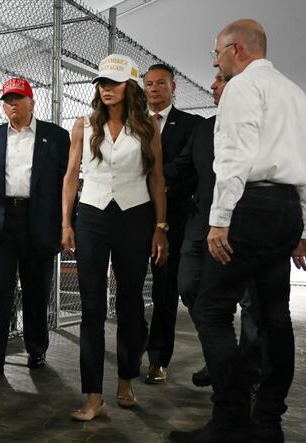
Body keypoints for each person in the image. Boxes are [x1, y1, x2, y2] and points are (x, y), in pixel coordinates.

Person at [169, 19, 306, 443]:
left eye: (217, 53)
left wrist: (219, 219)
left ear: (237, 50)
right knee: (274, 316)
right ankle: (268, 424)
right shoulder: (295, 94)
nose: (215, 62)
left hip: (248, 207)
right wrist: (303, 227)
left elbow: (234, 156)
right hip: (285, 208)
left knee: (211, 310)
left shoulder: (243, 87)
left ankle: (230, 419)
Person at [61, 54, 167, 421]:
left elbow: (157, 179)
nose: (106, 88)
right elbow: (71, 176)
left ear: (129, 87)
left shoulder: (147, 127)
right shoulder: (83, 125)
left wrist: (161, 227)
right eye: (102, 82)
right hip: (92, 216)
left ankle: (125, 380)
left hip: (135, 216)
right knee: (91, 306)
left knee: (130, 303)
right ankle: (93, 395)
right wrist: (66, 223)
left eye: (114, 82)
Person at [165, 70, 260, 389]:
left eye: (221, 81)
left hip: (243, 228)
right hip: (200, 227)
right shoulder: (205, 128)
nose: (212, 86)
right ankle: (222, 354)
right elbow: (181, 168)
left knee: (251, 302)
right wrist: (139, 171)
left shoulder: (260, 127)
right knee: (189, 285)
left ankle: (247, 373)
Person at [0, 77, 70, 382]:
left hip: (39, 221)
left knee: (36, 292)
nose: (12, 104)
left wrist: (67, 224)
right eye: (7, 100)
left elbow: (67, 184)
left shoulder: (56, 137)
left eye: (17, 99)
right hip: (2, 223)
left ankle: (37, 350)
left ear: (31, 102)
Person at [143, 63, 203, 385]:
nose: (154, 88)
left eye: (160, 83)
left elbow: (190, 166)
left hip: (174, 219)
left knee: (165, 290)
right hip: (133, 214)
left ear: (173, 87)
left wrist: (155, 181)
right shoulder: (132, 123)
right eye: (149, 84)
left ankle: (158, 359)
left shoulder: (192, 125)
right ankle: (135, 340)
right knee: (128, 288)